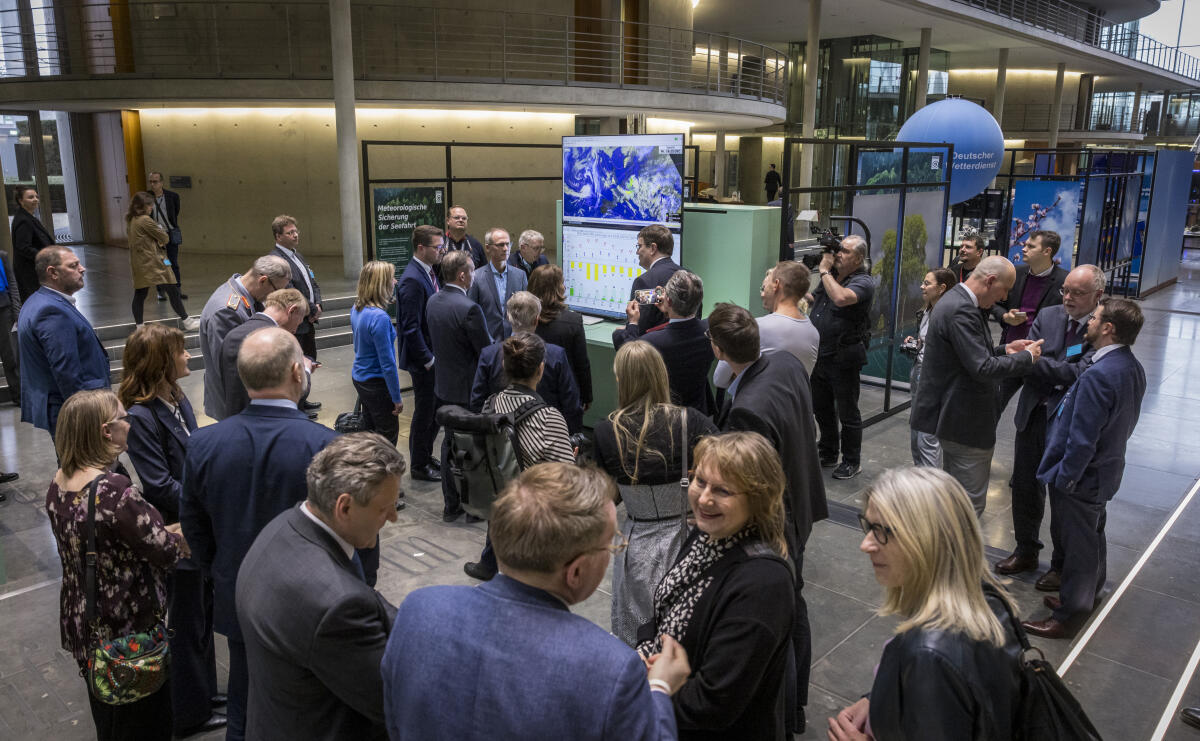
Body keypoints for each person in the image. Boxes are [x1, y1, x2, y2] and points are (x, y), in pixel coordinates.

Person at [382, 463, 690, 741]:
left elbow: (394, 721)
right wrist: (660, 688)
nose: (615, 549)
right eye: (611, 543)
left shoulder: (419, 609)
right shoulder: (611, 668)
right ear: (577, 571)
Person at [179, 327, 337, 741]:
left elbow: (195, 528)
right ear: (296, 373)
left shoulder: (204, 443)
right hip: (310, 604)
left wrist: (220, 574)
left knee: (244, 698)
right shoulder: (325, 446)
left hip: (238, 595)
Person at [828, 467, 1022, 740]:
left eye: (883, 532)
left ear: (928, 540)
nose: (866, 544)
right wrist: (875, 699)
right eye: (869, 526)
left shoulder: (928, 655)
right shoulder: (986, 600)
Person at [237, 433, 405, 740]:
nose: (392, 518)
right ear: (345, 507)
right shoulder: (337, 606)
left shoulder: (280, 529)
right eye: (385, 508)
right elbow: (394, 700)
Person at [707, 302, 826, 734]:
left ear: (719, 350)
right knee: (796, 606)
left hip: (777, 524)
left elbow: (751, 485)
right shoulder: (786, 362)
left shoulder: (746, 411)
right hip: (806, 499)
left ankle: (787, 712)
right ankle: (796, 708)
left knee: (782, 619)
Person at [46, 389, 186, 740]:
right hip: (128, 631)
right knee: (145, 723)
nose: (130, 423)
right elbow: (165, 553)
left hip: (85, 620)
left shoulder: (59, 481)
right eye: (125, 418)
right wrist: (179, 534)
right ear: (106, 431)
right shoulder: (114, 490)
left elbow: (100, 540)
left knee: (109, 718)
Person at [637, 431, 795, 740]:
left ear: (757, 499)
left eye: (722, 490)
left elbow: (715, 703)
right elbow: (665, 611)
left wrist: (651, 691)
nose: (704, 498)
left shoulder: (763, 586)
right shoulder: (708, 533)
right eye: (700, 481)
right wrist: (646, 656)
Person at [117, 324, 225, 737]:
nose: (187, 358)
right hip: (176, 528)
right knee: (184, 620)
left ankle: (206, 692)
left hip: (196, 523)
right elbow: (158, 482)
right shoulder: (142, 416)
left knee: (202, 613)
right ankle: (188, 711)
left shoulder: (176, 400)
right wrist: (204, 504)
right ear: (161, 361)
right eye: (180, 352)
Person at [1023, 298, 1147, 639]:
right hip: (1105, 472)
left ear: (1108, 328)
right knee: (1093, 535)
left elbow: (1083, 438)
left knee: (1079, 545)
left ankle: (1069, 614)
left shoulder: (1100, 375)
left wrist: (1068, 478)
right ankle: (1089, 594)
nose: (1087, 322)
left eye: (1093, 318)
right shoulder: (1130, 366)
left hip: (1082, 476)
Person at [594, 340, 717, 646]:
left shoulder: (607, 432)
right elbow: (727, 465)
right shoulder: (692, 421)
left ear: (622, 379)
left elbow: (606, 495)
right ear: (661, 374)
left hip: (636, 545)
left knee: (636, 630)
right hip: (688, 539)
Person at [909, 256, 1043, 516]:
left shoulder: (958, 301)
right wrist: (1026, 358)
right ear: (991, 281)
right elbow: (982, 368)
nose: (1003, 299)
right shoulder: (961, 308)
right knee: (967, 509)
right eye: (1004, 290)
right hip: (966, 423)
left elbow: (967, 355)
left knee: (953, 502)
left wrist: (1005, 349)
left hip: (954, 419)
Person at [995, 264, 1104, 580]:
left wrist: (1038, 363)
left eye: (1077, 293)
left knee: (1062, 495)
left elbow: (1080, 374)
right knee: (1025, 487)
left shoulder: (1101, 327)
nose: (1068, 297)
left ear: (1098, 295)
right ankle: (1025, 551)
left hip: (1068, 422)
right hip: (1033, 414)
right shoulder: (1049, 316)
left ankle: (1059, 565)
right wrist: (1043, 365)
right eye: (1065, 290)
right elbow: (1031, 360)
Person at [463, 332, 576, 581]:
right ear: (541, 369)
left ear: (504, 365)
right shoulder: (550, 418)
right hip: (535, 520)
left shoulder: (490, 405)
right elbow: (568, 482)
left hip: (502, 503)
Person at [18, 246, 110, 441]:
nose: (82, 268)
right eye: (73, 265)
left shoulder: (39, 300)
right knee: (84, 467)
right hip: (76, 410)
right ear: (53, 273)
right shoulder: (51, 311)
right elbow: (67, 371)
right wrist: (85, 418)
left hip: (66, 405)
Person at [426, 249, 492, 521]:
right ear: (463, 275)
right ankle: (473, 506)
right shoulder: (469, 309)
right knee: (472, 450)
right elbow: (485, 351)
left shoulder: (433, 301)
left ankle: (450, 505)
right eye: (473, 270)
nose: (475, 275)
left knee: (448, 444)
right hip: (468, 390)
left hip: (444, 386)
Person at [807, 234, 875, 480]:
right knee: (822, 407)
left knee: (848, 412)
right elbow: (818, 300)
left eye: (844, 251)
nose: (838, 255)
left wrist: (824, 271)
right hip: (821, 354)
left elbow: (841, 298)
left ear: (858, 258)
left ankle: (851, 460)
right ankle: (828, 451)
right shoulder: (833, 277)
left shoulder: (863, 282)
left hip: (844, 356)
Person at [470, 291, 582, 432]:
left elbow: (477, 403)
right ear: (536, 320)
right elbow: (571, 404)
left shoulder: (489, 355)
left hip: (499, 440)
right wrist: (571, 438)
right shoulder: (556, 355)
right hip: (545, 437)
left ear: (508, 317)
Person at [198, 255, 292, 420]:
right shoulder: (226, 310)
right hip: (234, 402)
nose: (275, 296)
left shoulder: (247, 296)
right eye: (276, 290)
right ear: (263, 280)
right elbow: (230, 366)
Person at [615, 269, 715, 415]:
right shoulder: (710, 331)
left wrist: (633, 323)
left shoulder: (652, 342)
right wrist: (669, 312)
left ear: (668, 300)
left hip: (664, 418)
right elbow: (684, 327)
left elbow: (629, 354)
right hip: (698, 414)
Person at [991, 230, 1068, 411]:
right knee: (993, 405)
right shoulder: (1015, 274)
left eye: (1030, 246)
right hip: (1010, 352)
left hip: (1042, 357)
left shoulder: (1064, 281)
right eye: (1024, 244)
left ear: (1047, 251)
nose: (1023, 248)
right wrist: (1005, 316)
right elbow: (992, 303)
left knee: (1036, 412)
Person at [714, 261, 819, 388]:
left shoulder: (758, 328)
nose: (762, 294)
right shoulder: (813, 333)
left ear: (776, 285)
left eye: (764, 287)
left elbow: (720, 379)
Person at [396, 224, 444, 483]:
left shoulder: (427, 272)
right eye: (437, 248)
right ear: (421, 248)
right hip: (423, 361)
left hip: (431, 356)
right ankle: (418, 465)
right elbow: (410, 327)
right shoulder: (413, 279)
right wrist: (428, 359)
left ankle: (426, 456)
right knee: (425, 413)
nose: (441, 252)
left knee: (433, 411)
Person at [218, 288, 309, 419]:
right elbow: (289, 392)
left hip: (235, 418)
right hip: (268, 421)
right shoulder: (273, 340)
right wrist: (305, 369)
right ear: (292, 310)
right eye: (299, 322)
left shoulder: (234, 334)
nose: (295, 330)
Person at [903, 268, 956, 468]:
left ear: (942, 288)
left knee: (927, 438)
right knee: (917, 432)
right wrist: (917, 343)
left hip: (933, 378)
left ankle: (931, 489)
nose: (922, 287)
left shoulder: (948, 314)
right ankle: (921, 481)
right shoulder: (927, 310)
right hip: (920, 372)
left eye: (927, 283)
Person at [271, 214, 323, 414]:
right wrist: (310, 308)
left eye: (295, 231)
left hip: (308, 319)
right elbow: (289, 290)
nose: (295, 235)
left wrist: (318, 304)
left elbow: (313, 282)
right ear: (278, 236)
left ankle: (303, 398)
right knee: (295, 365)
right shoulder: (277, 259)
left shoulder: (297, 255)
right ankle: (296, 407)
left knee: (308, 360)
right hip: (295, 321)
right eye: (290, 232)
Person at [125, 191, 198, 329]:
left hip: (140, 262)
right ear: (142, 206)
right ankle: (187, 321)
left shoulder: (131, 220)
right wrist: (159, 237)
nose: (151, 207)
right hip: (156, 261)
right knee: (172, 289)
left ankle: (140, 326)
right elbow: (164, 237)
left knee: (140, 294)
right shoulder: (145, 220)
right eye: (149, 205)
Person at [351, 261, 405, 446]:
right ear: (381, 284)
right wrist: (396, 397)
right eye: (391, 278)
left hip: (360, 377)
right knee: (387, 438)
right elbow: (387, 364)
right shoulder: (379, 318)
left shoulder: (357, 308)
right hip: (377, 383)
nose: (395, 281)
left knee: (370, 433)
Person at [529, 263, 593, 412]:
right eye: (562, 283)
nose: (564, 287)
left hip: (532, 394)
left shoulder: (526, 320)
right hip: (565, 395)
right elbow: (581, 364)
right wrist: (586, 396)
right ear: (557, 288)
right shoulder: (573, 321)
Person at [614, 224, 681, 341]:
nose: (637, 252)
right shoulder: (690, 276)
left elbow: (639, 328)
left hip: (653, 352)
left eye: (639, 246)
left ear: (653, 248)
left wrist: (625, 330)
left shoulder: (645, 282)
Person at [467, 227, 528, 340]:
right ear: (487, 248)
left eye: (508, 244)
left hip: (516, 341)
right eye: (500, 245)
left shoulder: (520, 276)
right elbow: (472, 315)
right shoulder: (477, 277)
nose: (505, 249)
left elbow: (525, 310)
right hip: (487, 341)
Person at [10, 185, 54, 301]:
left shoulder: (28, 217)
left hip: (33, 269)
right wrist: (45, 257)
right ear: (21, 201)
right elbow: (23, 247)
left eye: (36, 196)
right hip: (30, 271)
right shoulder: (24, 220)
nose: (35, 199)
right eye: (30, 197)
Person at [147, 171, 185, 300]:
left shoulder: (172, 196)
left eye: (155, 181)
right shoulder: (146, 197)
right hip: (155, 236)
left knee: (172, 262)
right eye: (151, 181)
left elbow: (176, 211)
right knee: (160, 263)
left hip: (170, 234)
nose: (153, 184)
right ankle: (160, 291)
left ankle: (177, 290)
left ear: (161, 182)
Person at [0, 245, 22, 404]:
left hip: (4, 310)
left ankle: (19, 395)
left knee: (11, 356)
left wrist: (17, 311)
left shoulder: (2, 256)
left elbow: (13, 284)